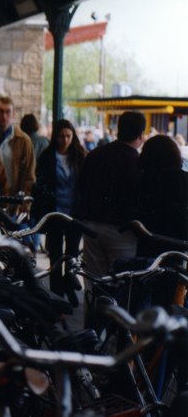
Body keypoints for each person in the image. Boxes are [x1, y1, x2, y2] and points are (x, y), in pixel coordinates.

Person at [76, 110, 147, 282]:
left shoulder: (95, 154)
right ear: (140, 135)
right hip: (122, 232)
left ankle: (93, 309)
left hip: (91, 226)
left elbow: (81, 186)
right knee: (121, 285)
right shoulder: (139, 162)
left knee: (94, 285)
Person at [31, 119, 86, 304]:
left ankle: (69, 287)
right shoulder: (47, 157)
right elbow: (40, 184)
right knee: (55, 256)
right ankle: (57, 294)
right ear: (55, 137)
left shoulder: (79, 156)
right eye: (61, 136)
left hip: (74, 212)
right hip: (54, 213)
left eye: (68, 136)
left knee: (71, 255)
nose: (65, 140)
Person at [133, 134, 188, 308]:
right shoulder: (184, 179)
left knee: (145, 295)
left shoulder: (144, 179)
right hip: (177, 246)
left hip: (148, 244)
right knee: (171, 295)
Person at [0, 96, 36, 198]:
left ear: (13, 114)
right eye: (0, 112)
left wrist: (24, 203)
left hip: (13, 199)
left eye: (8, 112)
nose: (4, 116)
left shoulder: (23, 141)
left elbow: (29, 176)